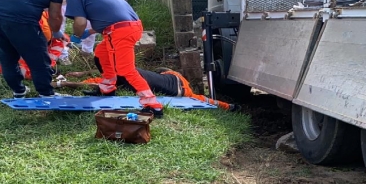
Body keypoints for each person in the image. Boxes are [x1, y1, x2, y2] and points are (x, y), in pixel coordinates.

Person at [61, 0, 164, 117]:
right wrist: (89, 32)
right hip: (129, 27)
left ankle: (153, 105)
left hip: (119, 32)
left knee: (125, 70)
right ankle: (107, 89)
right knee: (101, 53)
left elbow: (80, 22)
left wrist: (76, 37)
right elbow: (109, 18)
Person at [55, 66, 241, 112]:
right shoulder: (179, 81)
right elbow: (205, 100)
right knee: (203, 99)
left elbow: (98, 81)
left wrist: (66, 84)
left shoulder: (126, 74)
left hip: (177, 91)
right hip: (178, 87)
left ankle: (231, 107)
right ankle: (232, 107)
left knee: (204, 100)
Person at [0, 10, 67, 80]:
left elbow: (52, 19)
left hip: (42, 41)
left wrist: (57, 33)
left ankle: (45, 65)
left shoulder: (42, 9)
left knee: (61, 41)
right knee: (35, 73)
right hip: (25, 42)